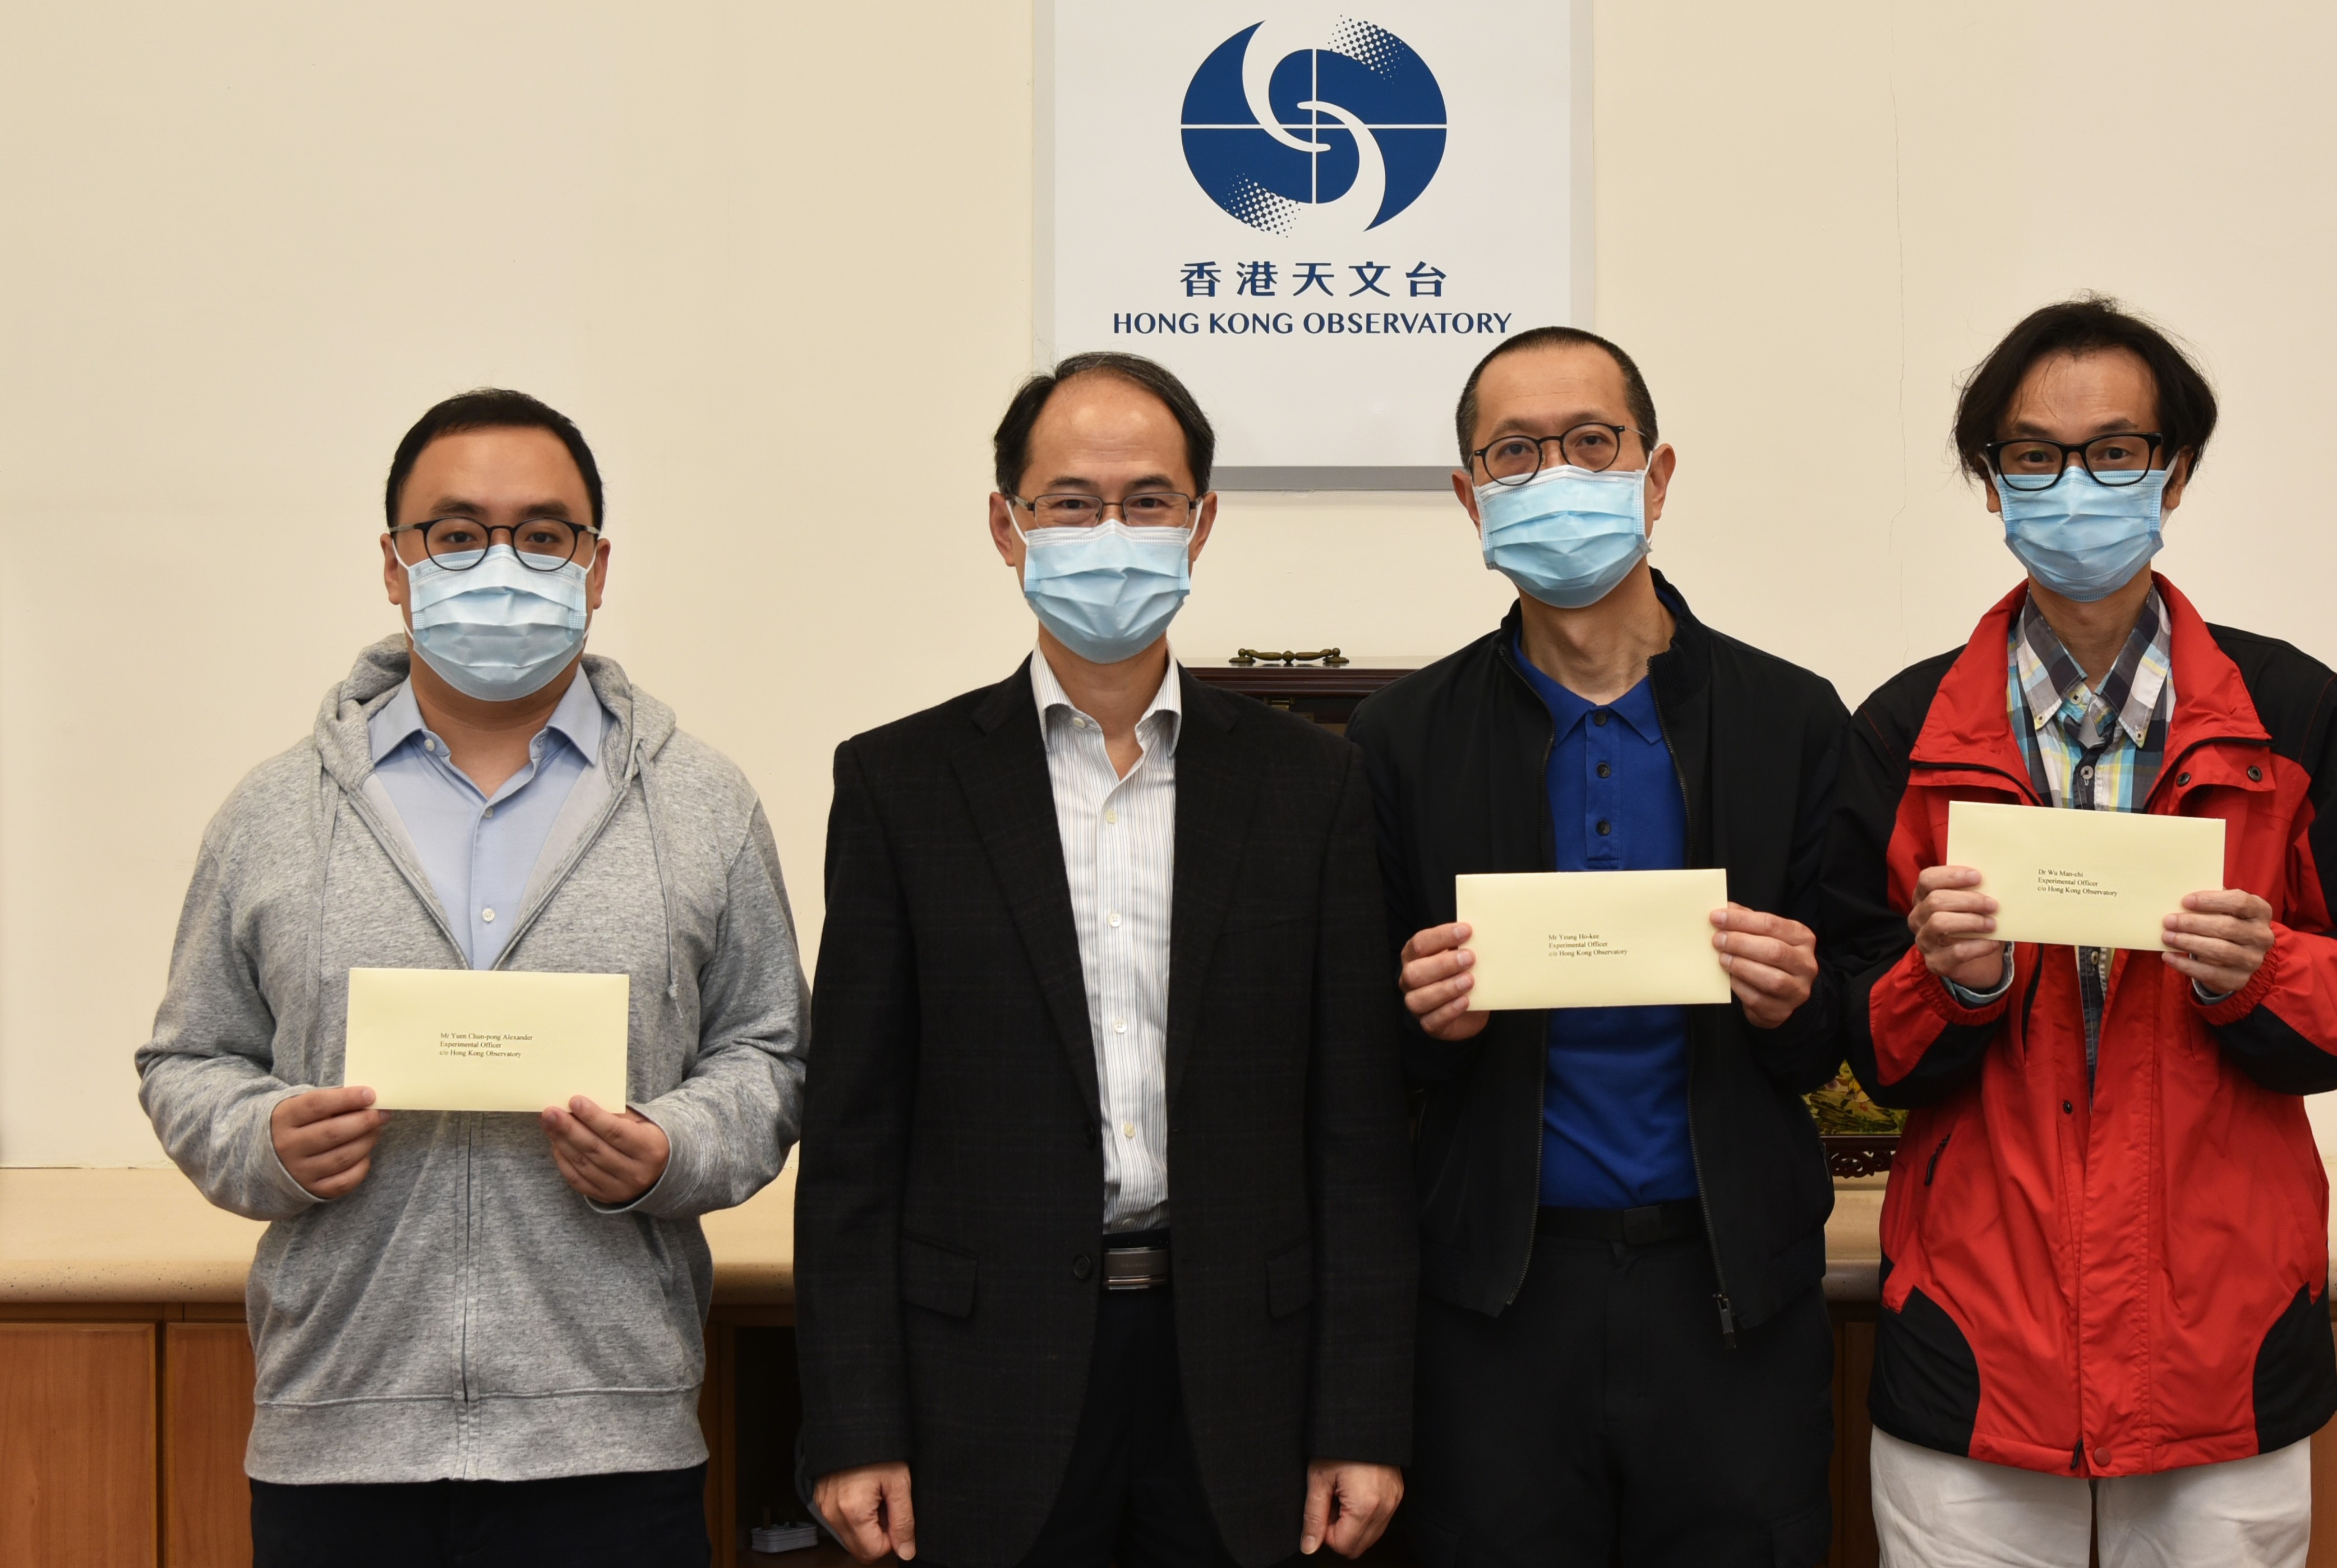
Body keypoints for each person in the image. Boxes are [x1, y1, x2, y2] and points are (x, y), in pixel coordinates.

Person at [1825, 298, 2337, 1567]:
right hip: (1974, 1351)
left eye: (2115, 451)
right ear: (1989, 478)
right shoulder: (1900, 730)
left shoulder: (2290, 711)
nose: (2076, 485)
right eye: (2033, 454)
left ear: (2172, 469)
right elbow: (1848, 1038)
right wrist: (1946, 985)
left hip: (2220, 1348)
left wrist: (2264, 971)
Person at [137, 389, 809, 1567]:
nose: (501, 560)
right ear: (395, 567)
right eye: (456, 533)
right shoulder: (272, 811)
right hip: (338, 1436)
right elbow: (188, 1057)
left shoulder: (704, 804)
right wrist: (264, 1140)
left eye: (543, 533)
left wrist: (672, 1148)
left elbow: (768, 1052)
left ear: (595, 566)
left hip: (614, 1440)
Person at [795, 351, 1414, 1568]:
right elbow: (855, 1138)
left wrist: (1363, 1415)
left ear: (1201, 523)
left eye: (1146, 501)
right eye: (1070, 501)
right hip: (982, 1381)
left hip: (1246, 1373)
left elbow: (1360, 1133)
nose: (1109, 530)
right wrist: (852, 1420)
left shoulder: (1312, 785)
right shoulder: (898, 783)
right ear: (1006, 524)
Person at [1345, 326, 1850, 1568]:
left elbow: (1868, 1022)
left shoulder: (1791, 717)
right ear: (1470, 497)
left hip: (1732, 1297)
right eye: (1514, 452)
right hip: (1493, 1310)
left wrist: (1801, 998)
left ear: (1655, 475)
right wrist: (1419, 1022)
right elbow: (1348, 1056)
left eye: (1591, 443)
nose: (1555, 473)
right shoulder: (1398, 738)